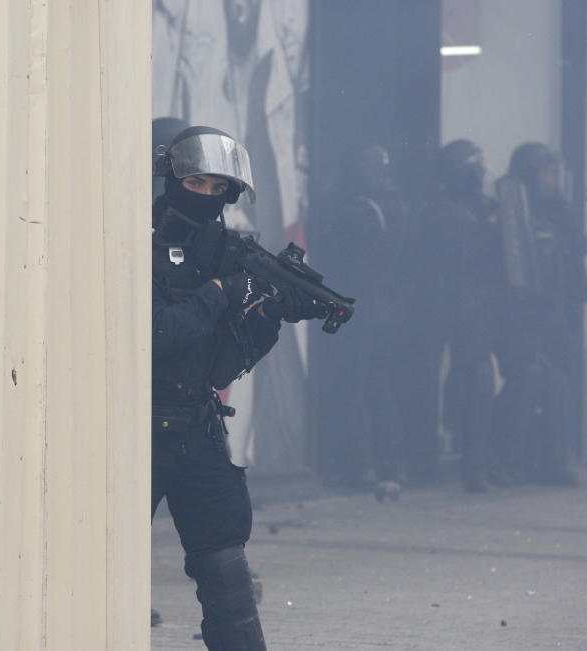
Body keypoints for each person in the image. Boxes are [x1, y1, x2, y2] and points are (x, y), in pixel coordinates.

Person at [151, 125, 323, 650]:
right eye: (197, 182)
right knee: (104, 562)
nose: (207, 196)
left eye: (217, 188)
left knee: (225, 567)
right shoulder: (140, 241)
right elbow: (158, 333)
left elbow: (224, 363)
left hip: (197, 429)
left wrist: (265, 313)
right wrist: (222, 293)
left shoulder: (230, 249)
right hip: (137, 428)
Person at [310, 144, 408, 495]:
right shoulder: (391, 202)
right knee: (377, 386)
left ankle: (354, 466)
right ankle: (385, 466)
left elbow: (337, 257)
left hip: (355, 309)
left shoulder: (357, 209)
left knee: (351, 386)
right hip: (381, 308)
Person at [493, 142, 587, 486]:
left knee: (559, 384)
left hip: (553, 310)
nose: (552, 180)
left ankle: (553, 459)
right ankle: (507, 457)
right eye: (546, 172)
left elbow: (575, 256)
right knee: (527, 379)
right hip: (518, 313)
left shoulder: (559, 212)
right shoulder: (510, 212)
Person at [418, 139, 504, 492]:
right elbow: (461, 254)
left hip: (475, 307)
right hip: (444, 306)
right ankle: (427, 460)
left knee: (479, 382)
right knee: (431, 380)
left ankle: (476, 464)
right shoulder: (442, 211)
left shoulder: (481, 207)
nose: (482, 172)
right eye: (476, 165)